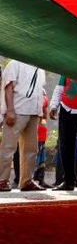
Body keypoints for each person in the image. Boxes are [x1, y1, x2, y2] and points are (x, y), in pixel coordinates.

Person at [0, 59, 46, 192]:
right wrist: (9, 110)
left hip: (34, 112)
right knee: (8, 147)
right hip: (17, 111)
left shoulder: (40, 67)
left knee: (31, 150)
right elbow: (8, 87)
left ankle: (26, 181)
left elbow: (39, 90)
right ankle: (2, 180)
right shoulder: (15, 63)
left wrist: (40, 111)